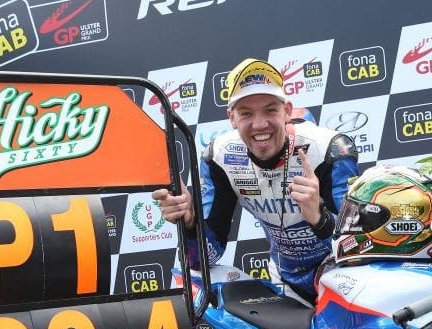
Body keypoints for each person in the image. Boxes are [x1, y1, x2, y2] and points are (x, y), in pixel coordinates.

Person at [153, 58, 359, 304]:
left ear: (287, 111)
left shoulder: (330, 149)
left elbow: (359, 249)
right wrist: (189, 224)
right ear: (231, 117)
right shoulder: (220, 157)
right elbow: (204, 259)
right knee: (193, 276)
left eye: (270, 110)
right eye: (246, 113)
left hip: (343, 277)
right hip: (286, 279)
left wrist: (319, 217)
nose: (259, 124)